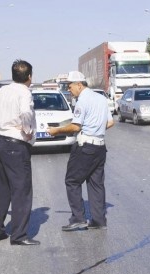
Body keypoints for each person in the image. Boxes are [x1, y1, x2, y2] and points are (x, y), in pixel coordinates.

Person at [46, 71, 114, 231]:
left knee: (72, 181)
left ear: (79, 85)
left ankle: (78, 218)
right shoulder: (101, 99)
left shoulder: (82, 101)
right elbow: (110, 122)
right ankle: (98, 220)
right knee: (96, 183)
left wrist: (56, 131)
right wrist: (96, 129)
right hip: (100, 147)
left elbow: (76, 126)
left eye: (70, 87)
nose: (69, 90)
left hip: (85, 147)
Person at [0, 59, 39, 246]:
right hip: (16, 145)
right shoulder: (25, 93)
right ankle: (19, 235)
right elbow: (26, 113)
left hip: (0, 142)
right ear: (29, 77)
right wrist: (27, 130)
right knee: (21, 191)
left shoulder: (4, 90)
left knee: (1, 189)